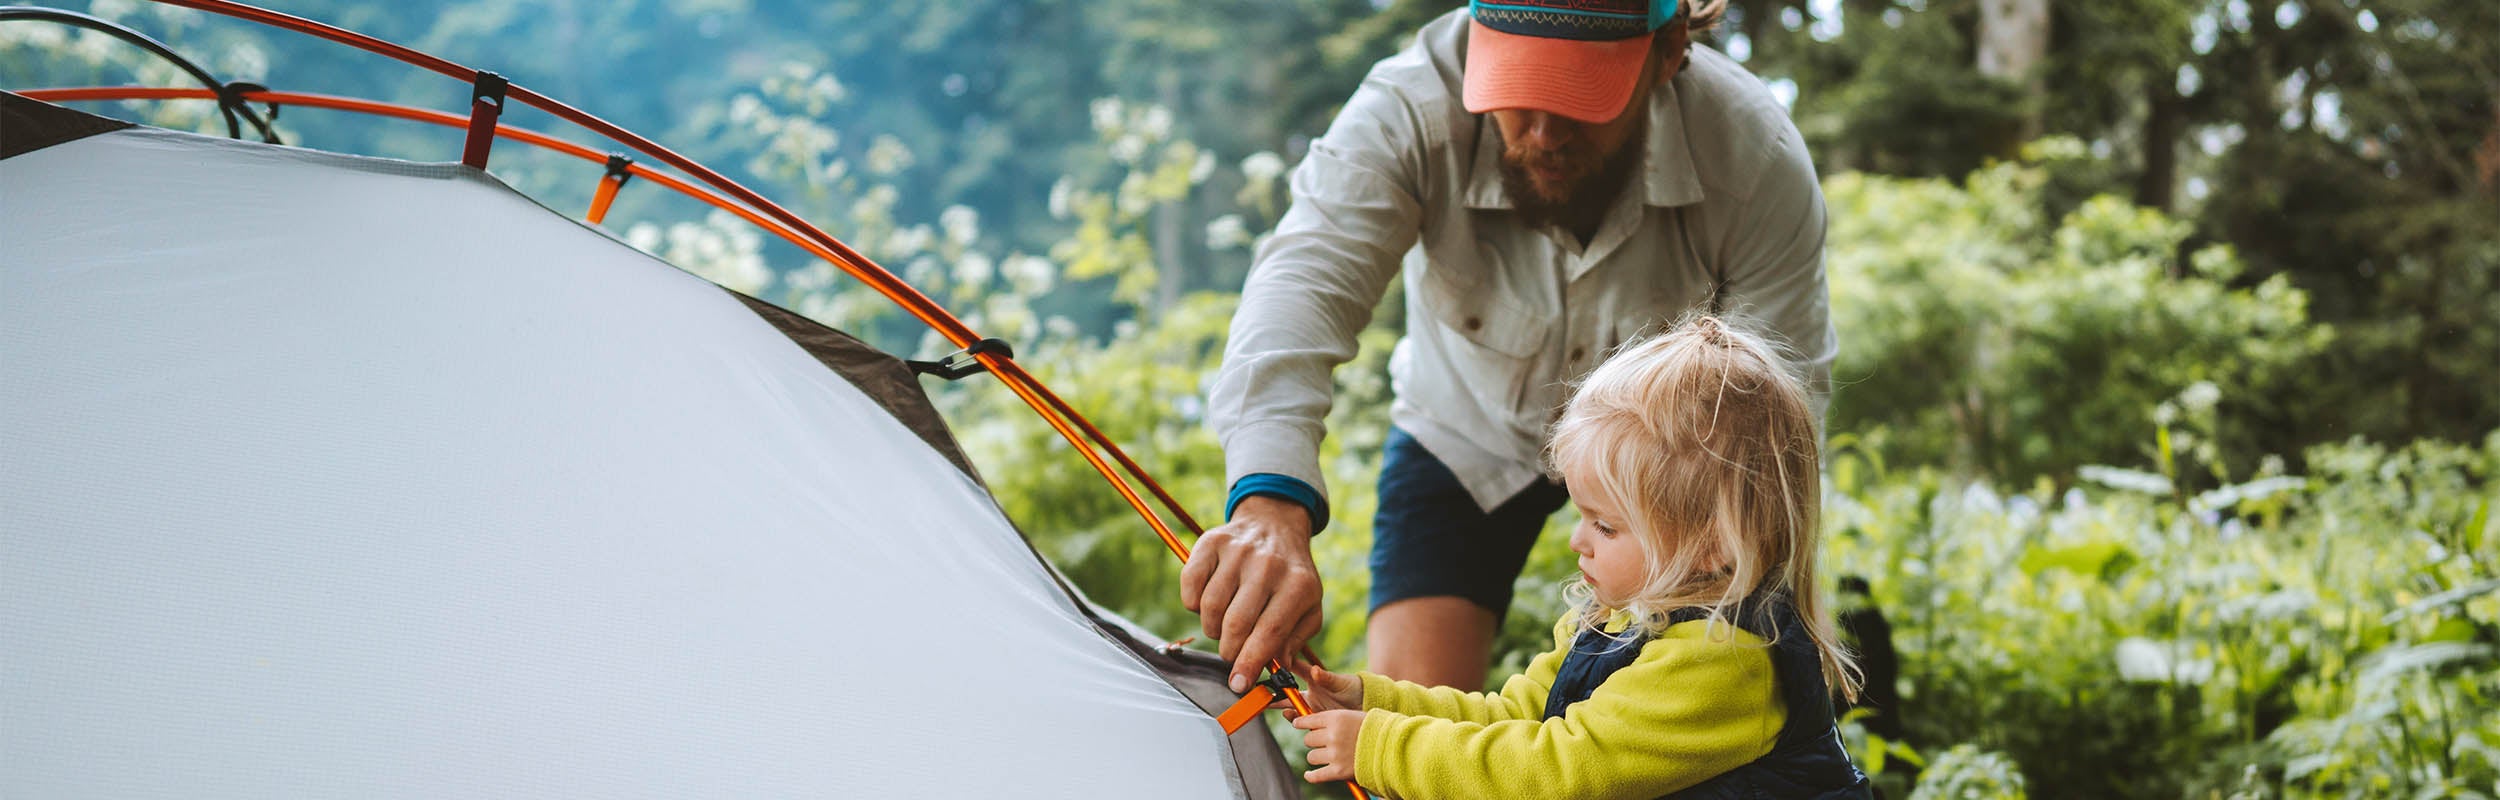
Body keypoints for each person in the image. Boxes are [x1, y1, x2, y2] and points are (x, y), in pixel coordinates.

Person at [1188, 0, 1835, 694]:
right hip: (1464, 435)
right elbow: (1304, 283)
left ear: (1669, 49)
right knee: (1409, 740)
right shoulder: (1409, 107)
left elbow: (1775, 424)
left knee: (1708, 706)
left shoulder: (1753, 156)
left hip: (1672, 469)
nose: (1543, 132)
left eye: (1583, 94)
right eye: (1517, 89)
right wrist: (1269, 507)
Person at [1286, 317, 1869, 799]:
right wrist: (1377, 702)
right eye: (1581, 515)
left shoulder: (1722, 663)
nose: (1578, 542)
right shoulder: (1621, 620)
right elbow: (1517, 715)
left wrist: (1383, 746)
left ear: (1713, 542)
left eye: (1607, 526)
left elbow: (1555, 771)